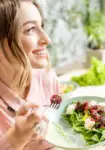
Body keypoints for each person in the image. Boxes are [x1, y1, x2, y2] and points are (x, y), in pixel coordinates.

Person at [0, 0, 60, 149]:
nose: (47, 39)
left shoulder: (47, 77)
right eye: (31, 29)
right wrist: (15, 138)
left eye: (42, 26)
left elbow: (59, 129)